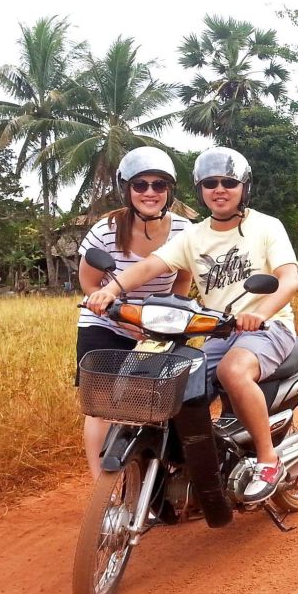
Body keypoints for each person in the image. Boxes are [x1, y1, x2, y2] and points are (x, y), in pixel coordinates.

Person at [86, 146, 298, 504]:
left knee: (234, 372)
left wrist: (260, 313)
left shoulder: (266, 226)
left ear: (243, 188)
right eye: (210, 183)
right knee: (167, 380)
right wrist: (110, 289)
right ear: (200, 190)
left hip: (267, 328)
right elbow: (150, 266)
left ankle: (268, 459)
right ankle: (187, 463)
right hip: (215, 331)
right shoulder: (193, 236)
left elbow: (289, 279)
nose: (220, 189)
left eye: (228, 182)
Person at [77, 146, 193, 480]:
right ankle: (103, 491)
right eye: (140, 185)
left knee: (161, 402)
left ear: (169, 190)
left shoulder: (185, 230)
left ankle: (158, 480)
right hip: (107, 324)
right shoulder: (105, 230)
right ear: (127, 189)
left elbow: (183, 278)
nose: (150, 192)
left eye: (159, 185)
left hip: (156, 328)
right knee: (99, 404)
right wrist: (113, 310)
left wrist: (170, 317)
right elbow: (89, 282)